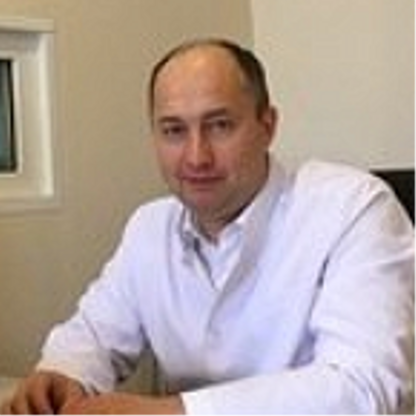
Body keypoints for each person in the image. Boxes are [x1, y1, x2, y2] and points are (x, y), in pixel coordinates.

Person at [2, 38, 416, 416]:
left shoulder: (354, 207)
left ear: (267, 125)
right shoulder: (150, 226)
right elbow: (93, 334)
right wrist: (63, 374)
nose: (196, 157)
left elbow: (363, 387)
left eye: (219, 125)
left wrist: (173, 412)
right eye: (174, 131)